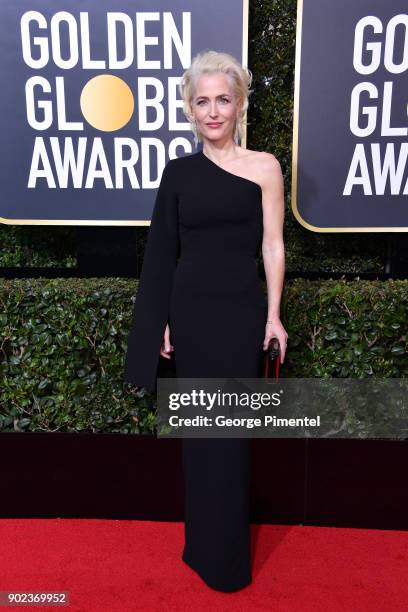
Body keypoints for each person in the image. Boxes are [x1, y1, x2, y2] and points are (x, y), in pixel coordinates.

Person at [123, 49, 287, 592]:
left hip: (240, 314)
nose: (213, 111)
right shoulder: (178, 173)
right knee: (199, 436)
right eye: (202, 102)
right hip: (191, 314)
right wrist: (161, 321)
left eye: (223, 99)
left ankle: (227, 561)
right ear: (190, 111)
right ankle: (200, 547)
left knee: (231, 438)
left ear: (239, 104)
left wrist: (274, 317)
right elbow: (162, 252)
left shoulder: (265, 167)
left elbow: (272, 245)